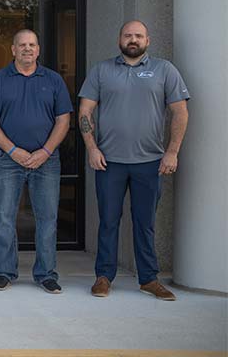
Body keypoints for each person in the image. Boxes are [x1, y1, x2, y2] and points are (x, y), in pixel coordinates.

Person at [78, 20, 189, 301]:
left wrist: (172, 151)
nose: (133, 39)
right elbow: (85, 110)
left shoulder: (164, 70)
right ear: (119, 39)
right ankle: (103, 277)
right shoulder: (102, 70)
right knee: (108, 221)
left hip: (149, 162)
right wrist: (91, 147)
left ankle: (149, 279)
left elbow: (180, 112)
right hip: (109, 162)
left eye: (138, 35)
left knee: (145, 222)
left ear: (148, 40)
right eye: (128, 35)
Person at [0, 29, 72, 294]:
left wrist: (45, 151)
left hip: (46, 160)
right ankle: (4, 272)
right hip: (6, 160)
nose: (27, 49)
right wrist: (13, 150)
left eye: (32, 45)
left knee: (47, 218)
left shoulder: (53, 80)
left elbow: (63, 121)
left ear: (38, 50)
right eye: (22, 45)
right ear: (13, 50)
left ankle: (46, 274)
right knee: (5, 218)